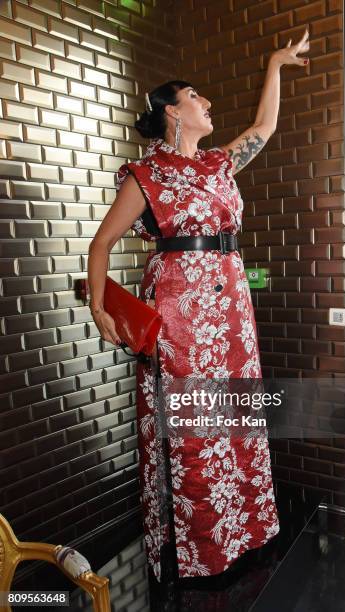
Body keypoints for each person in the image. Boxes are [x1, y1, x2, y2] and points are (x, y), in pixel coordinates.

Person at [87, 29, 310, 587]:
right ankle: (198, 552)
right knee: (194, 430)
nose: (207, 103)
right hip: (181, 306)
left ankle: (246, 534)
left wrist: (276, 65)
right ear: (171, 111)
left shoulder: (216, 165)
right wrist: (98, 306)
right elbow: (101, 243)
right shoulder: (148, 174)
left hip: (230, 304)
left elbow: (264, 128)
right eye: (196, 96)